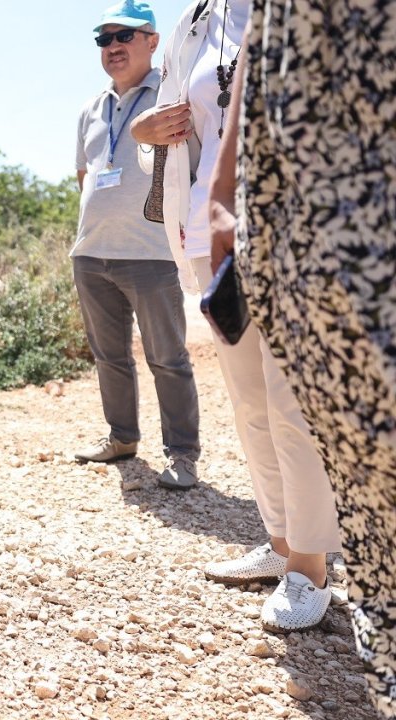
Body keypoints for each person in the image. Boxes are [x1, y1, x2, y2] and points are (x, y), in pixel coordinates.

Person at [130, 0, 342, 632]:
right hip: (207, 234)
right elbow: (172, 135)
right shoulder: (194, 22)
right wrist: (147, 134)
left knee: (291, 402)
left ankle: (311, 566)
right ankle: (281, 545)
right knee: (250, 402)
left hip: (292, 230)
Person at [209, 1, 396, 712]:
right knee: (312, 423)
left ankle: (314, 564)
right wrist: (223, 193)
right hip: (290, 215)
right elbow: (259, 55)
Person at [70, 1, 202, 490]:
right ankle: (122, 437)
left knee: (167, 358)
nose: (113, 47)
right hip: (91, 254)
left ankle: (183, 456)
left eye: (125, 36)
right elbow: (84, 175)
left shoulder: (170, 97)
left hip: (150, 254)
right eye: (104, 39)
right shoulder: (91, 108)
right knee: (109, 357)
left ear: (152, 40)